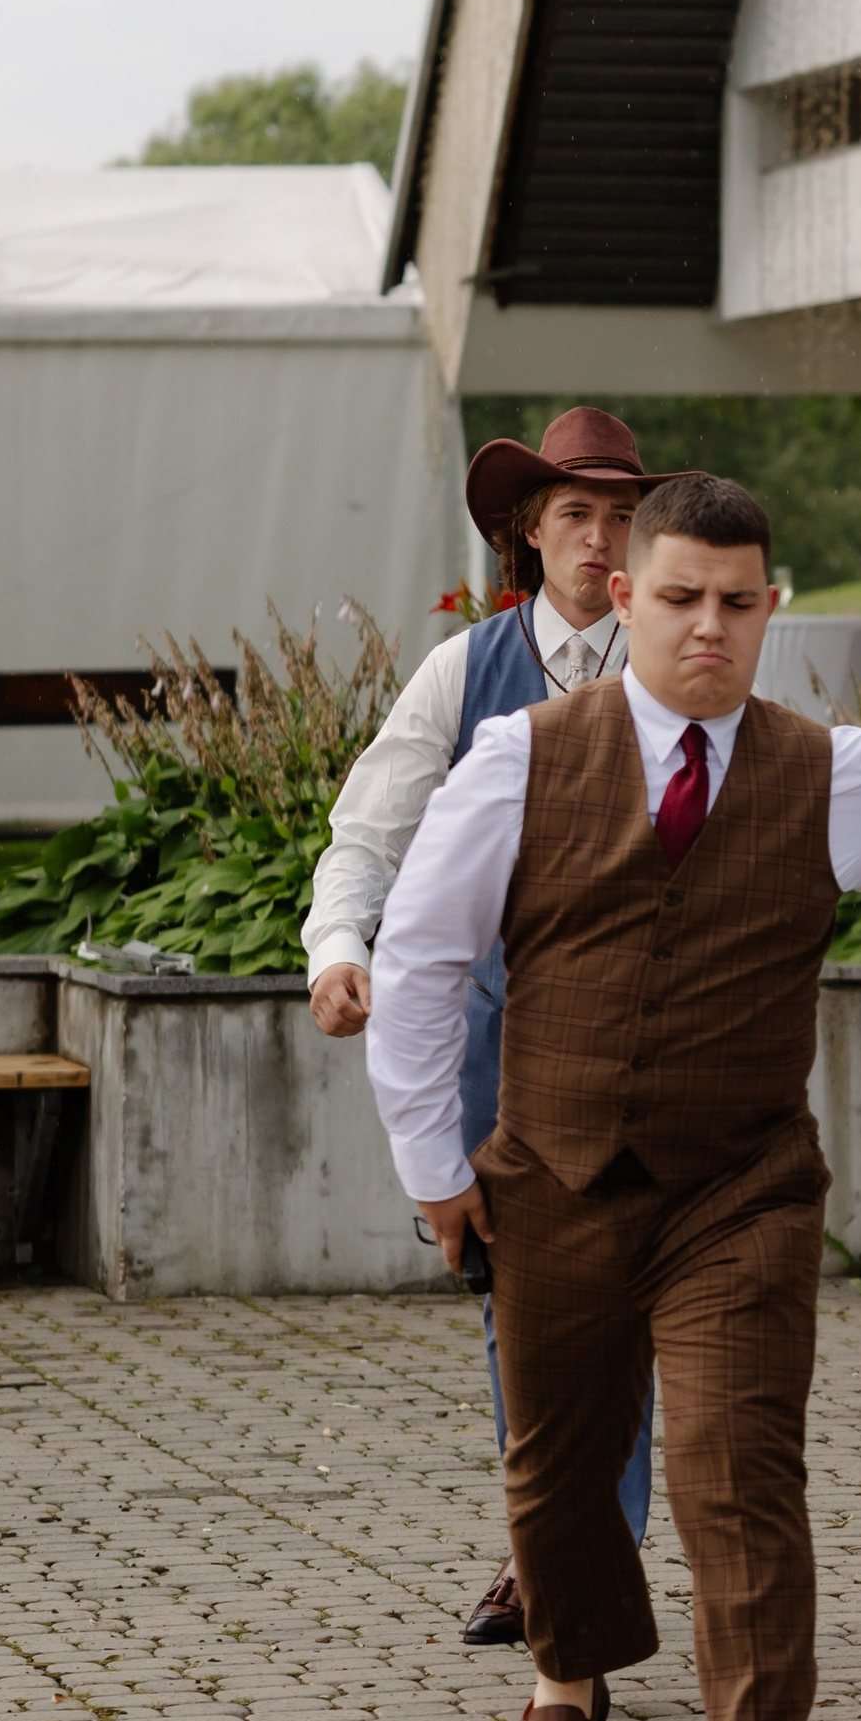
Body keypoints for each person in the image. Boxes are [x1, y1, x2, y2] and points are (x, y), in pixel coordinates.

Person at [366, 469, 861, 1721]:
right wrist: (434, 1170)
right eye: (680, 598)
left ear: (771, 609)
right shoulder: (516, 759)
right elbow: (422, 963)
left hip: (740, 1192)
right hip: (553, 1179)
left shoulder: (834, 775)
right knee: (559, 1469)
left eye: (737, 604)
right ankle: (566, 1686)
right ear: (623, 596)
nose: (709, 628)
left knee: (736, 1478)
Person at [304, 404, 664, 1640]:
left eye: (623, 516)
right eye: (577, 514)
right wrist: (339, 950)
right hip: (497, 1053)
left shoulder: (687, 665)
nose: (601, 537)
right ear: (529, 533)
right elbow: (368, 832)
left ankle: (578, 1560)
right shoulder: (464, 671)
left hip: (649, 1047)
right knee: (525, 1313)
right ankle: (552, 1545)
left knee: (621, 1307)